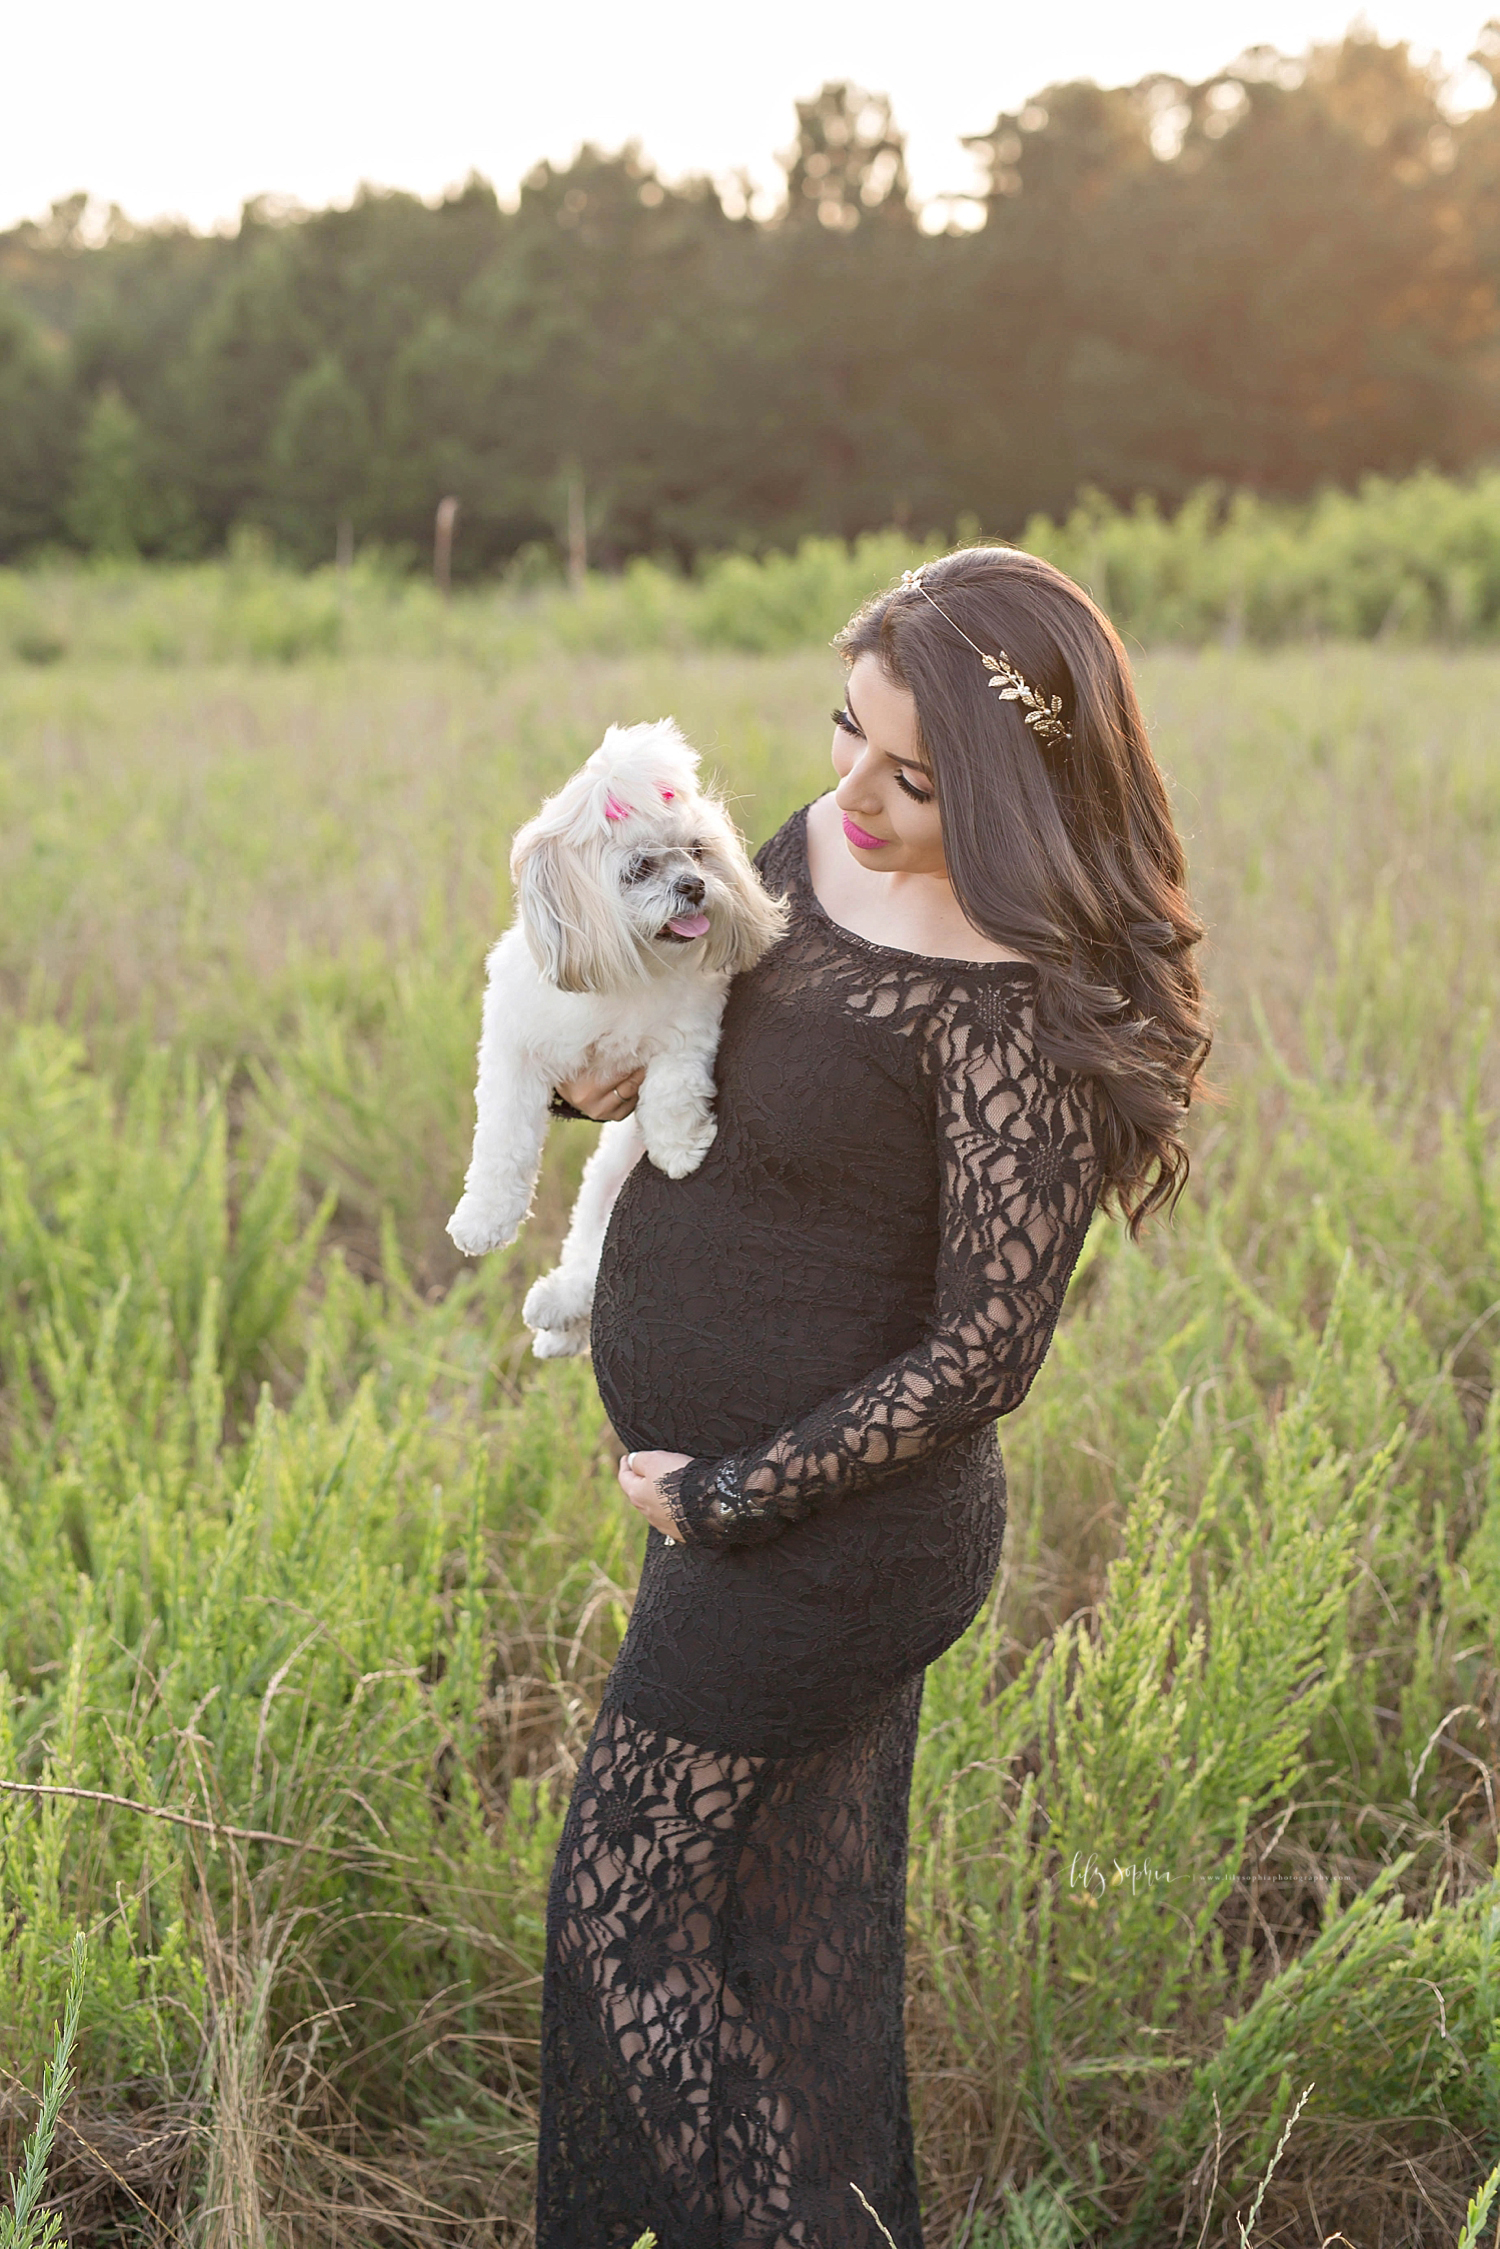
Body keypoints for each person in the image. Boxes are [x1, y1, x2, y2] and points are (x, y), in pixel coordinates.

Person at [533, 548, 1210, 2249]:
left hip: (835, 1540)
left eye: (908, 774)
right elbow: (708, 990)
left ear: (1011, 789)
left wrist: (730, 1495)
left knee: (626, 1910)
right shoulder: (824, 841)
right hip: (748, 1512)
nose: (853, 791)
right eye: (846, 733)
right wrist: (600, 1064)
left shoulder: (1027, 1006)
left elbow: (989, 1352)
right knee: (789, 1935)